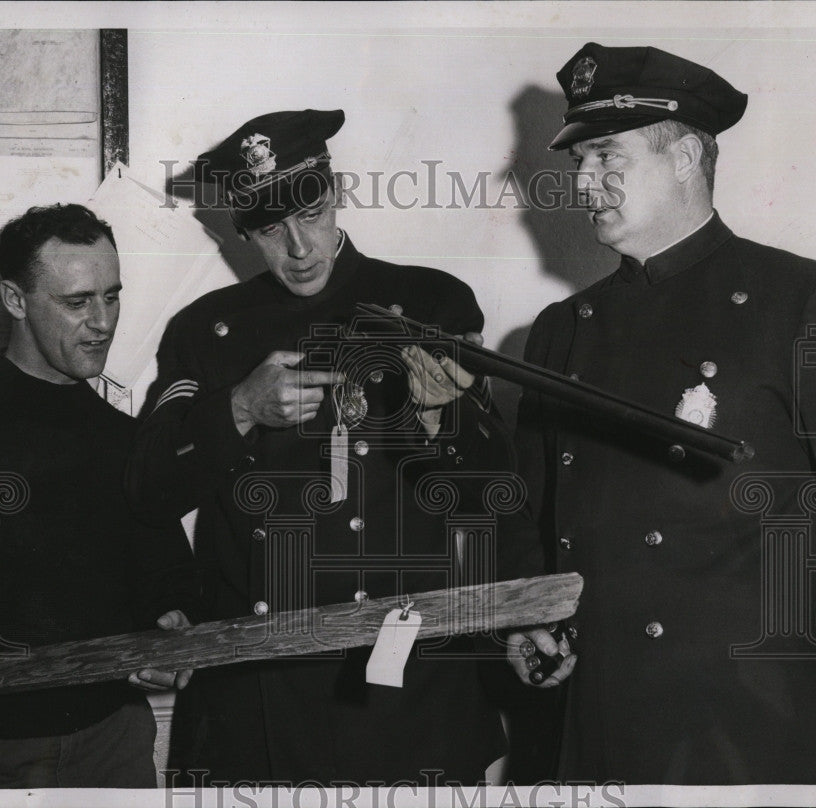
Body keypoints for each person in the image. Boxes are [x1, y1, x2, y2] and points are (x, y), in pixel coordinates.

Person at [127, 109, 556, 786]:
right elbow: (148, 491)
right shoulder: (207, 331)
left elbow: (497, 491)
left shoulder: (429, 302)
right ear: (244, 230)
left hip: (410, 690)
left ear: (336, 192)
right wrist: (239, 407)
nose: (298, 248)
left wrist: (442, 421)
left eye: (312, 214)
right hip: (256, 694)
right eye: (270, 230)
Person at [514, 43, 816, 784]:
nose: (584, 183)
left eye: (607, 157)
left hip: (757, 729)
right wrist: (528, 617)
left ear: (686, 159)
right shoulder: (560, 328)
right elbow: (532, 520)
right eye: (578, 163)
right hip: (602, 722)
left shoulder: (806, 301)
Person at [0, 204, 202, 788]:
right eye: (77, 302)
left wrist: (173, 635)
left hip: (108, 747)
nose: (102, 321)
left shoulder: (130, 439)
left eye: (111, 296)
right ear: (15, 301)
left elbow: (169, 585)